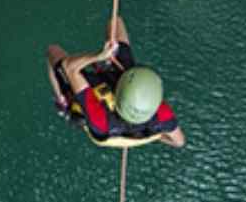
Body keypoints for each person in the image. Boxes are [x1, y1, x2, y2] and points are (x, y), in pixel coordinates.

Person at [45, 16, 186, 148]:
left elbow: (69, 68)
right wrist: (145, 137)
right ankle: (110, 67)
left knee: (53, 52)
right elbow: (178, 141)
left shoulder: (100, 119)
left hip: (101, 105)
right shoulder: (161, 113)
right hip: (124, 92)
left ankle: (62, 102)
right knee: (115, 22)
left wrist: (99, 56)